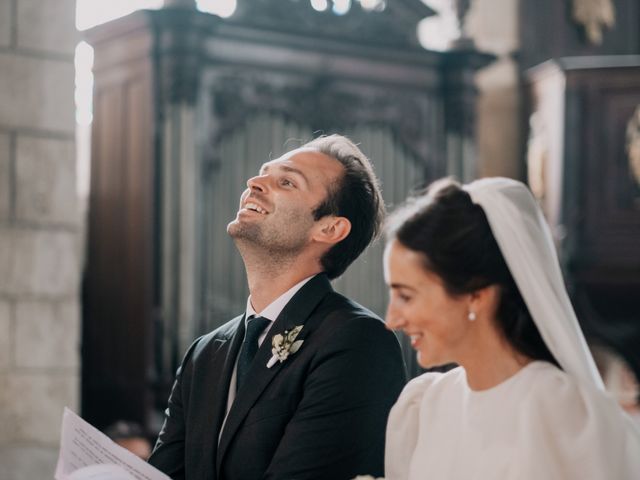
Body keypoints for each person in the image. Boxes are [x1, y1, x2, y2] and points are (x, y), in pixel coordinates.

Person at [148, 135, 407, 480]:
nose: (254, 183)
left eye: (286, 181)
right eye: (261, 174)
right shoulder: (204, 353)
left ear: (329, 227)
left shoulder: (357, 341)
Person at [383, 177, 640, 479]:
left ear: (476, 296)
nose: (392, 319)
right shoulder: (424, 406)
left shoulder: (557, 412)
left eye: (406, 296)